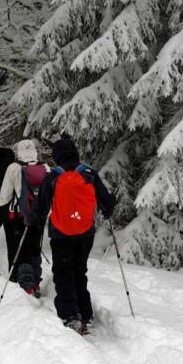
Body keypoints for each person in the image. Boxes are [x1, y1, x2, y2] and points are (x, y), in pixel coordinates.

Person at [30, 138, 115, 334]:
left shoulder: (53, 177)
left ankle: (71, 315)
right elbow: (106, 203)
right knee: (79, 270)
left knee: (63, 272)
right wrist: (109, 205)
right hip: (85, 233)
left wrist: (35, 218)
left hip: (61, 234)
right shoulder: (88, 173)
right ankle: (85, 312)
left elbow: (41, 208)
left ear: (56, 155)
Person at [0, 140, 50, 294]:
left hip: (20, 215)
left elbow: (5, 196)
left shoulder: (14, 167)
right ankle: (36, 282)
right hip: (39, 216)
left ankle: (26, 285)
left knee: (22, 249)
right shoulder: (44, 167)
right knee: (35, 248)